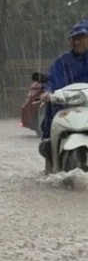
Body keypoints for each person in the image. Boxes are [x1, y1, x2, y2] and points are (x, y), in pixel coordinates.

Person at [39, 20, 88, 169]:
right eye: (74, 39)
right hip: (65, 105)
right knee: (49, 112)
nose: (77, 42)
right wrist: (47, 92)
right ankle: (49, 147)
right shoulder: (63, 61)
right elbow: (52, 78)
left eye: (81, 38)